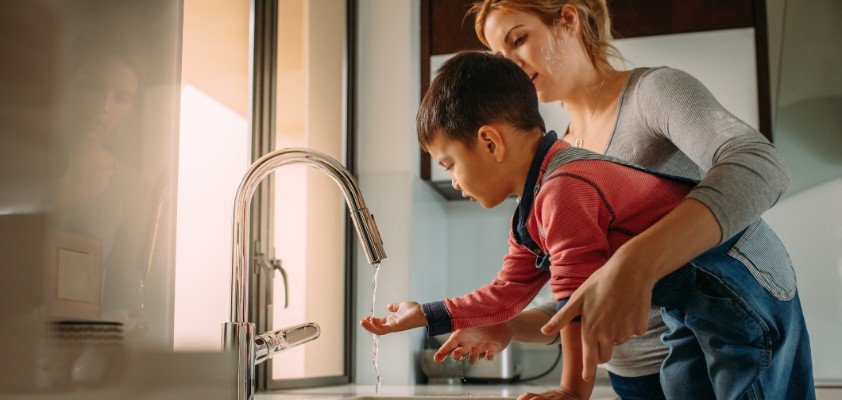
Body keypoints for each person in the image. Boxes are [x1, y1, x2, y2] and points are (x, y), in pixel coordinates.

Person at [361, 50, 814, 400]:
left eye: (449, 163)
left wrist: (572, 391)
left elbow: (575, 305)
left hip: (739, 281)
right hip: (690, 302)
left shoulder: (563, 188)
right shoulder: (535, 203)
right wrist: (427, 313)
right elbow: (506, 292)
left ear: (489, 141)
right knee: (684, 385)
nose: (454, 180)